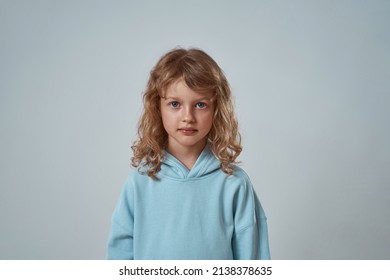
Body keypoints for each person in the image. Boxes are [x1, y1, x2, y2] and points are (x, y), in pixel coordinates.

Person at [107, 48, 270, 260]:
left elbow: (253, 258)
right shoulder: (139, 183)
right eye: (175, 104)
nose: (188, 117)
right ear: (158, 108)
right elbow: (119, 256)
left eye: (200, 105)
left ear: (216, 109)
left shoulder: (234, 183)